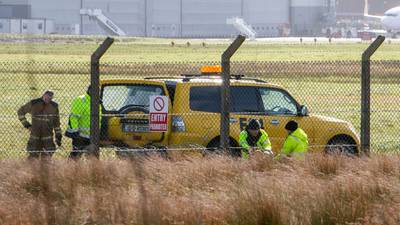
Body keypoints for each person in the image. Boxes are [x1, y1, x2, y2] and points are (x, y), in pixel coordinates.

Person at [17, 91, 62, 159]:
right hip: (35, 136)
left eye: (50, 98)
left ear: (52, 98)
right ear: (43, 95)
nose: (48, 99)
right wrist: (27, 125)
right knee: (32, 157)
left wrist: (58, 136)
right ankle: (27, 169)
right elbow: (20, 112)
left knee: (47, 158)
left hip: (48, 137)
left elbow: (56, 123)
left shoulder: (54, 106)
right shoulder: (34, 103)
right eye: (46, 97)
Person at [65, 86, 101, 159]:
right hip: (80, 135)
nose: (98, 93)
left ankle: (90, 170)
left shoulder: (97, 101)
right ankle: (70, 168)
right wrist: (75, 131)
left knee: (92, 156)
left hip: (93, 136)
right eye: (97, 91)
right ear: (90, 91)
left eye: (99, 91)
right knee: (76, 155)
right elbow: (74, 117)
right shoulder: (81, 100)